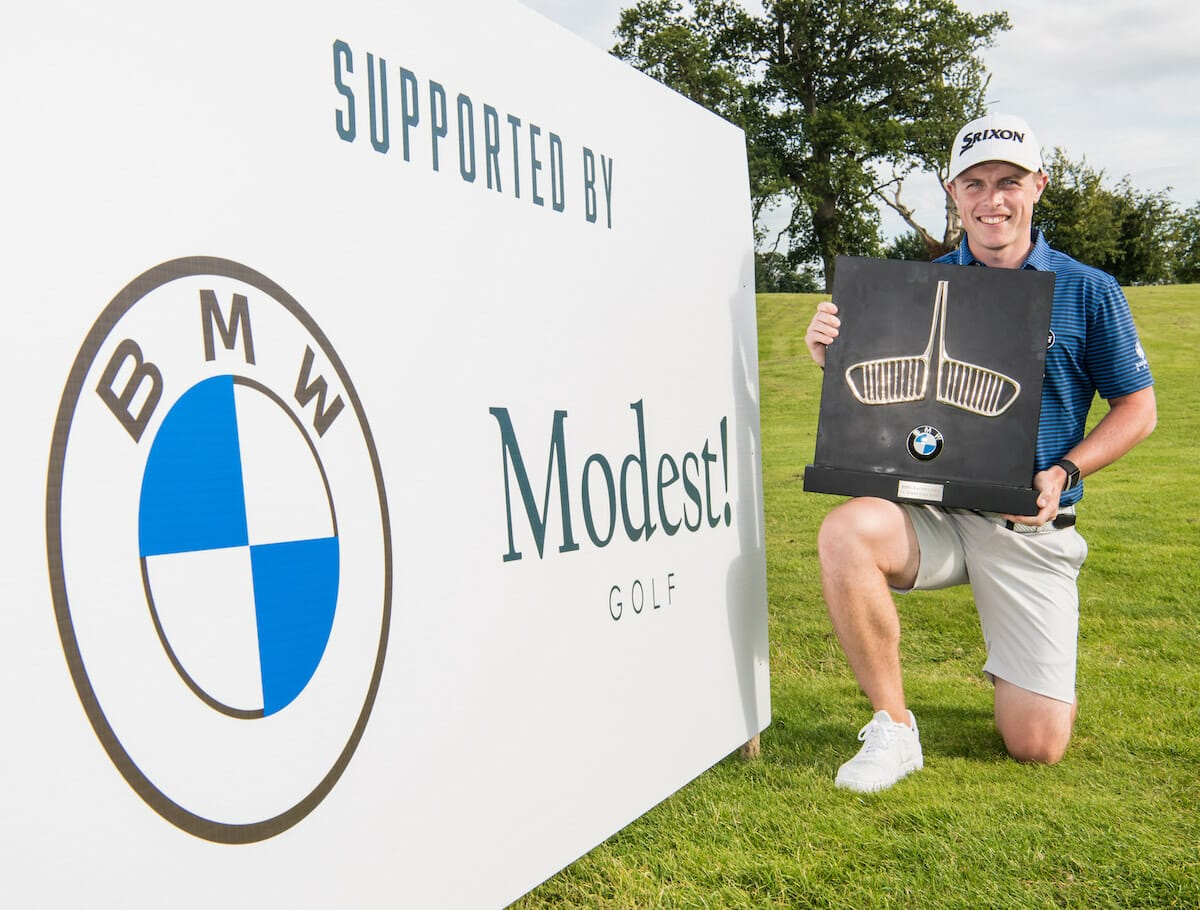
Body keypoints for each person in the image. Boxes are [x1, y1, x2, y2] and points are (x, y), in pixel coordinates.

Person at [803, 113, 1157, 793]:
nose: (992, 199)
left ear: (1039, 186)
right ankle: (893, 727)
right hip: (935, 514)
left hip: (1028, 525)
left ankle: (1021, 665)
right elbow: (884, 402)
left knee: (1036, 745)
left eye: (1008, 182)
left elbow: (1138, 409)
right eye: (975, 183)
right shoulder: (914, 285)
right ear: (953, 193)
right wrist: (832, 355)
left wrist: (1065, 471)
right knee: (846, 531)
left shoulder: (1088, 289)